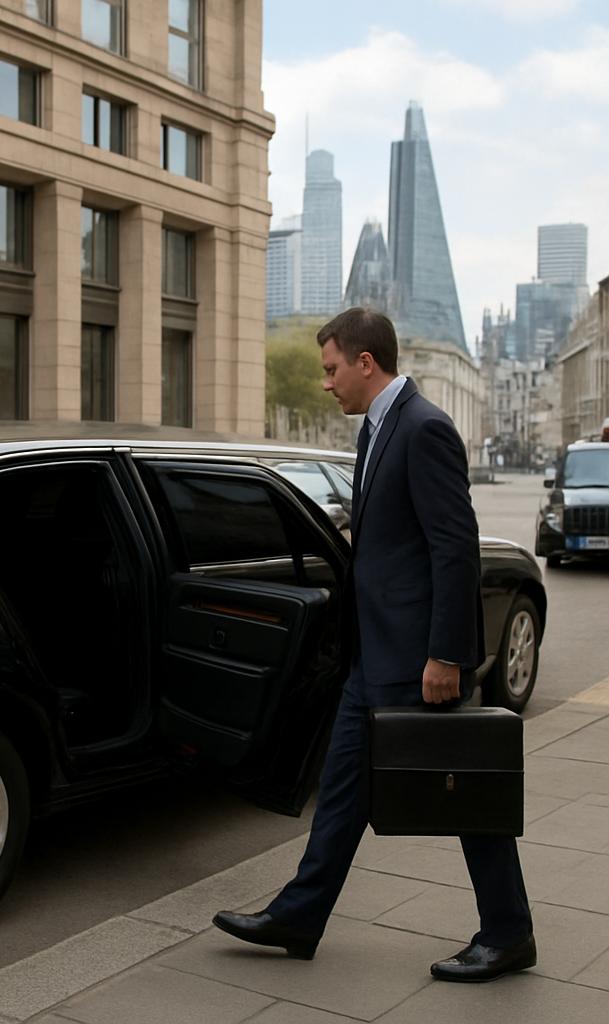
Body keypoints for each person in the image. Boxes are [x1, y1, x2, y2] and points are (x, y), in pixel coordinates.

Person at [213, 307, 535, 982]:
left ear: (366, 362)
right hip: (375, 655)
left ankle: (507, 933)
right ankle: (299, 915)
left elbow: (455, 550)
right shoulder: (378, 430)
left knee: (469, 791)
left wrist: (447, 655)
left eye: (332, 369)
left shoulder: (424, 428)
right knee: (341, 791)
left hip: (419, 660)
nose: (326, 382)